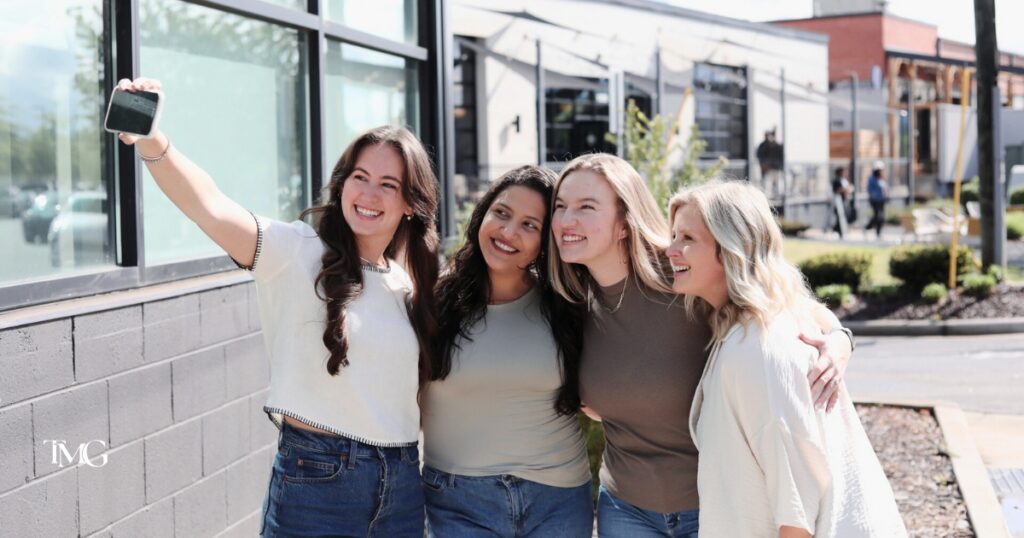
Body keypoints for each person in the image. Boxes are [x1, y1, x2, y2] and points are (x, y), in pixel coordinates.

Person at [115, 77, 439, 537]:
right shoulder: (297, 250)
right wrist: (151, 138)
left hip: (403, 484)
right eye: (360, 178)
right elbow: (209, 205)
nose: (368, 195)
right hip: (319, 480)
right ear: (342, 182)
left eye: (389, 185)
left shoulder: (409, 283)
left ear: (410, 203)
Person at [548, 153, 855, 537]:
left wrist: (840, 341)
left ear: (624, 222)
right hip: (626, 509)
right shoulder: (570, 300)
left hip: (714, 512)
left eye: (585, 207)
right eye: (560, 207)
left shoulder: (683, 274)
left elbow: (782, 303)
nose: (565, 220)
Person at [667, 180, 906, 538]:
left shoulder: (757, 351)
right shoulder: (756, 323)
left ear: (733, 248)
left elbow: (797, 512)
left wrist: (841, 338)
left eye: (688, 239)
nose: (670, 250)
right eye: (674, 236)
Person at [423, 166, 593, 537]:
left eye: (530, 225)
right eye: (501, 213)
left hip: (558, 498)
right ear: (482, 213)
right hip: (458, 501)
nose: (509, 232)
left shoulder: (568, 304)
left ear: (546, 241)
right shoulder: (433, 301)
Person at [756, 129, 784, 197]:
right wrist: (764, 165)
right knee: (766, 185)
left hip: (776, 169)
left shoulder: (777, 146)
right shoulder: (762, 146)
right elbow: (759, 156)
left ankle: (777, 197)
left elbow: (781, 157)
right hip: (766, 170)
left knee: (777, 185)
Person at [865, 161, 888, 239]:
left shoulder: (882, 179)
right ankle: (868, 228)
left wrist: (886, 196)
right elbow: (870, 190)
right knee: (877, 216)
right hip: (875, 201)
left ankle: (878, 232)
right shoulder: (872, 179)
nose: (881, 172)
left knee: (881, 217)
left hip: (882, 200)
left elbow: (886, 189)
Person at [830, 166, 852, 238]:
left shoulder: (844, 180)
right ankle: (838, 231)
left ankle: (840, 230)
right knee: (839, 217)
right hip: (839, 201)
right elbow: (835, 190)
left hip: (845, 200)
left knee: (845, 216)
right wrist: (843, 190)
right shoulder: (836, 180)